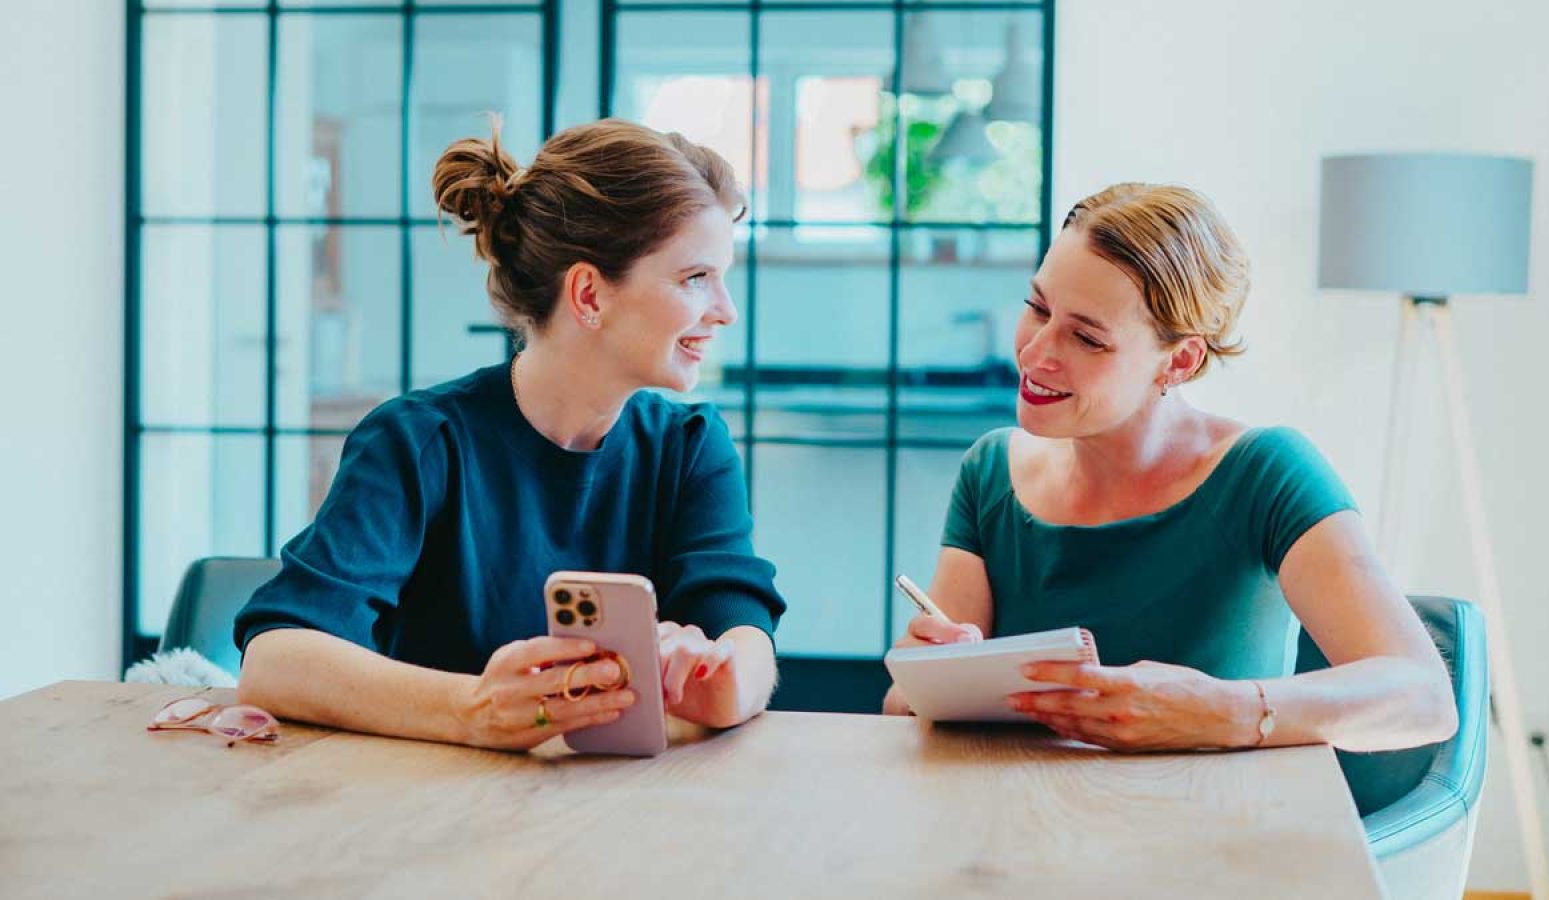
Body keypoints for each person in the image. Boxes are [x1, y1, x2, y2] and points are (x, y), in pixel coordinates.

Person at [234, 118, 784, 750]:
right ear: (588, 295)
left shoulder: (690, 445)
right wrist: (472, 708)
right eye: (695, 278)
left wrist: (725, 683)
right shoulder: (417, 443)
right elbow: (274, 661)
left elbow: (744, 629)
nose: (725, 309)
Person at [884, 183, 1457, 753]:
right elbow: (903, 713)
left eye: (1086, 337)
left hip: (1209, 829)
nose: (1035, 352)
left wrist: (1226, 710)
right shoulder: (991, 472)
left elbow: (1424, 698)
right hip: (1029, 826)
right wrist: (919, 681)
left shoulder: (1266, 474)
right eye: (1037, 308)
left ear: (1179, 360)